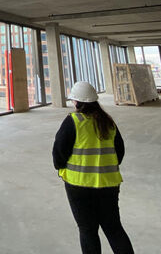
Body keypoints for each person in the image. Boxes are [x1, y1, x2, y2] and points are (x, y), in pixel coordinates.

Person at [52, 81, 134, 254]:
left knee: (88, 230)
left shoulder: (73, 121)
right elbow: (119, 152)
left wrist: (61, 168)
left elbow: (59, 152)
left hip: (78, 185)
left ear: (76, 101)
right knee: (113, 229)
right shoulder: (108, 123)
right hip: (108, 184)